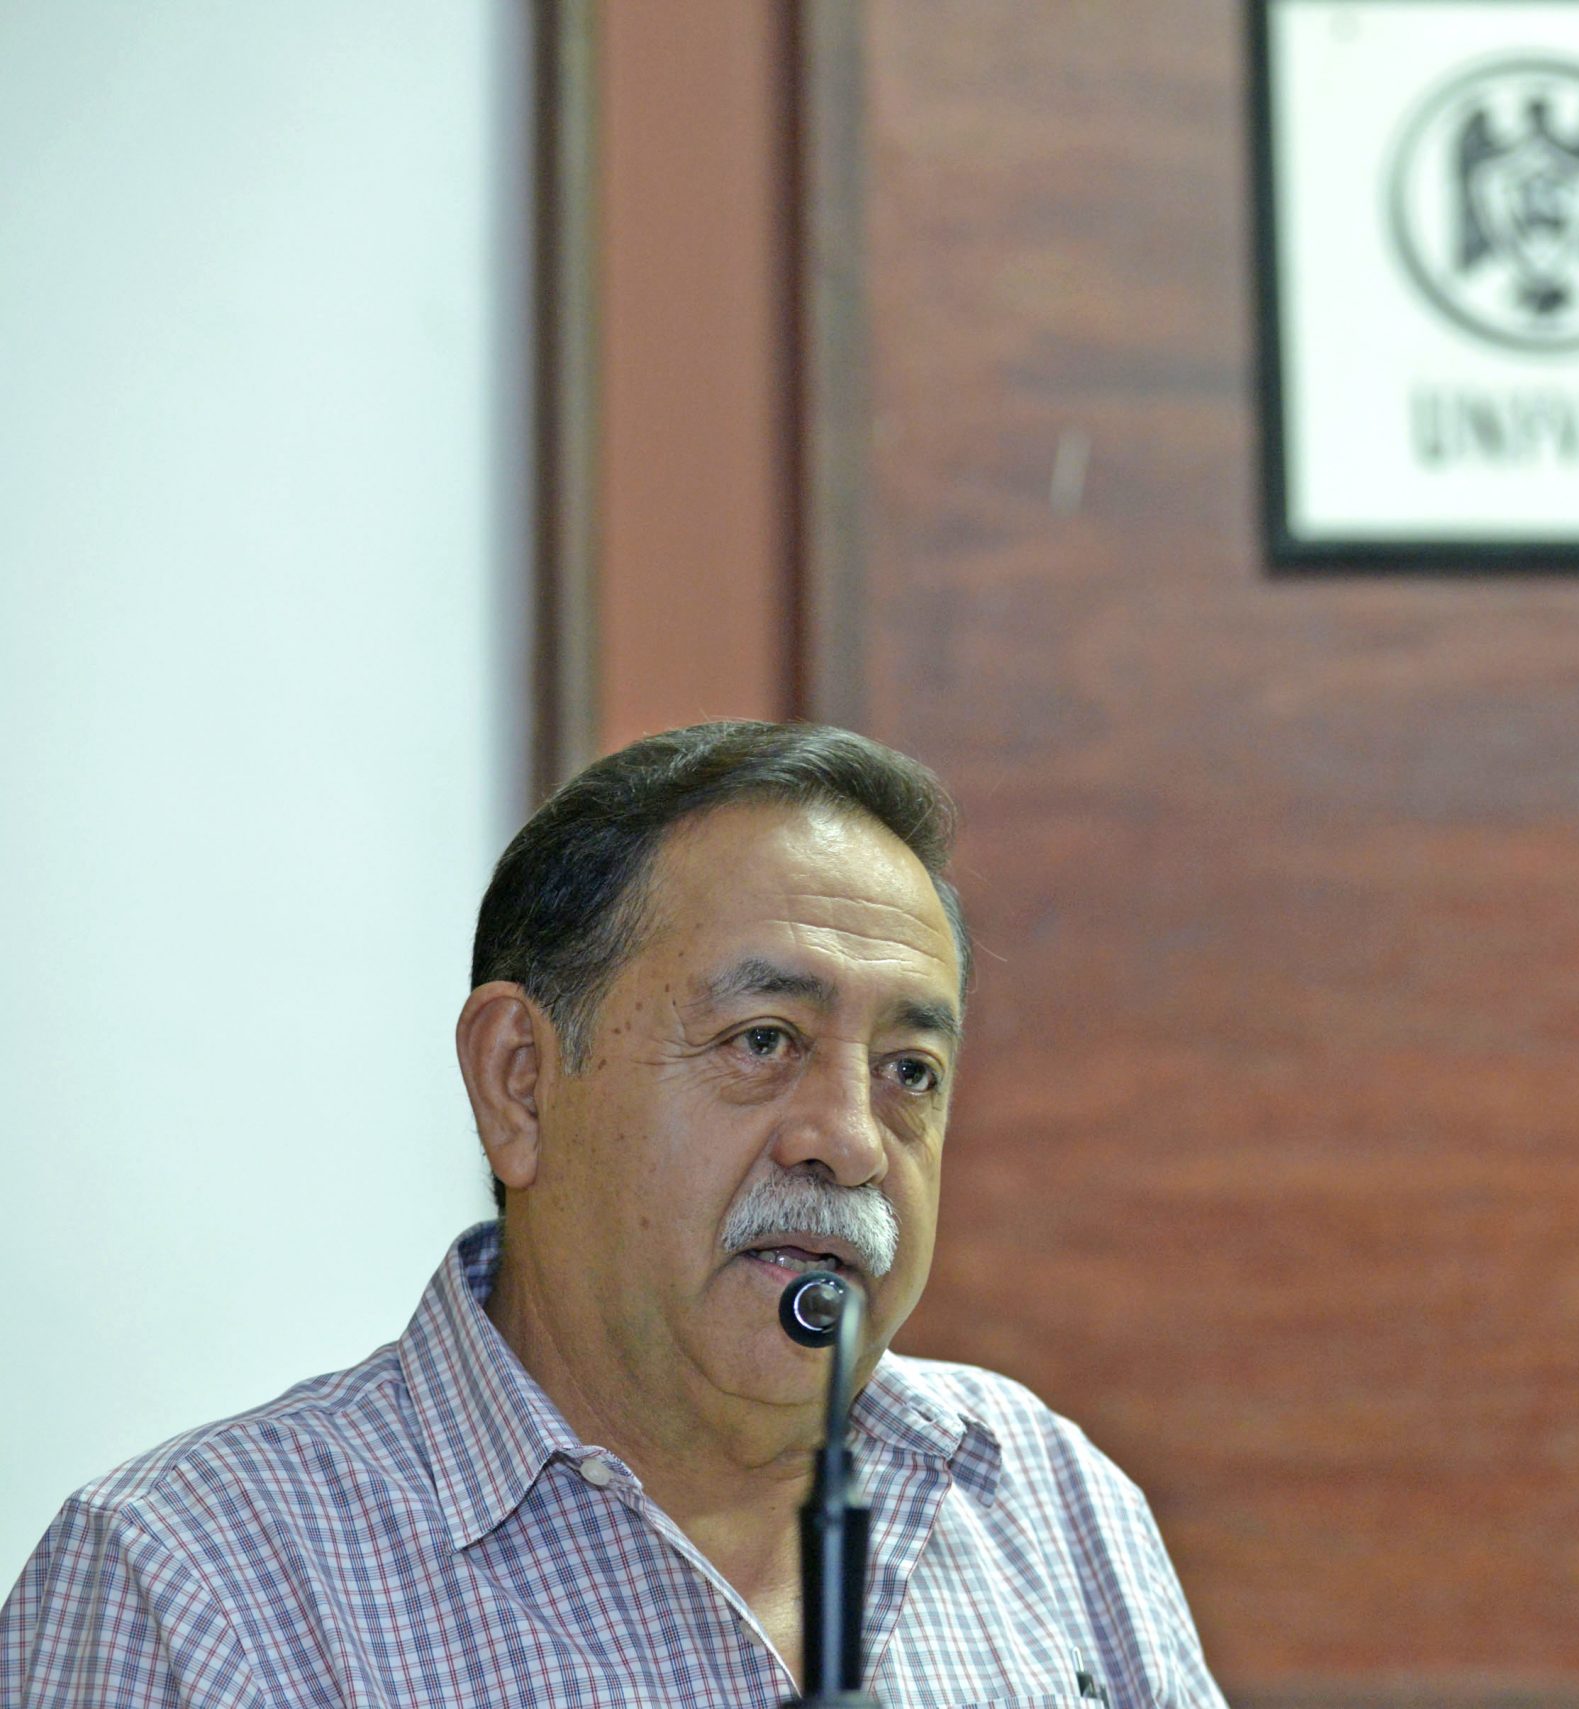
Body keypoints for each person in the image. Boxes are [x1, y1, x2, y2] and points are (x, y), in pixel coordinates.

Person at [0, 721, 1227, 1708]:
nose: (851, 1140)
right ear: (520, 1083)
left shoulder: (1045, 1498)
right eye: (764, 1040)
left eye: (909, 1069)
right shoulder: (188, 1585)